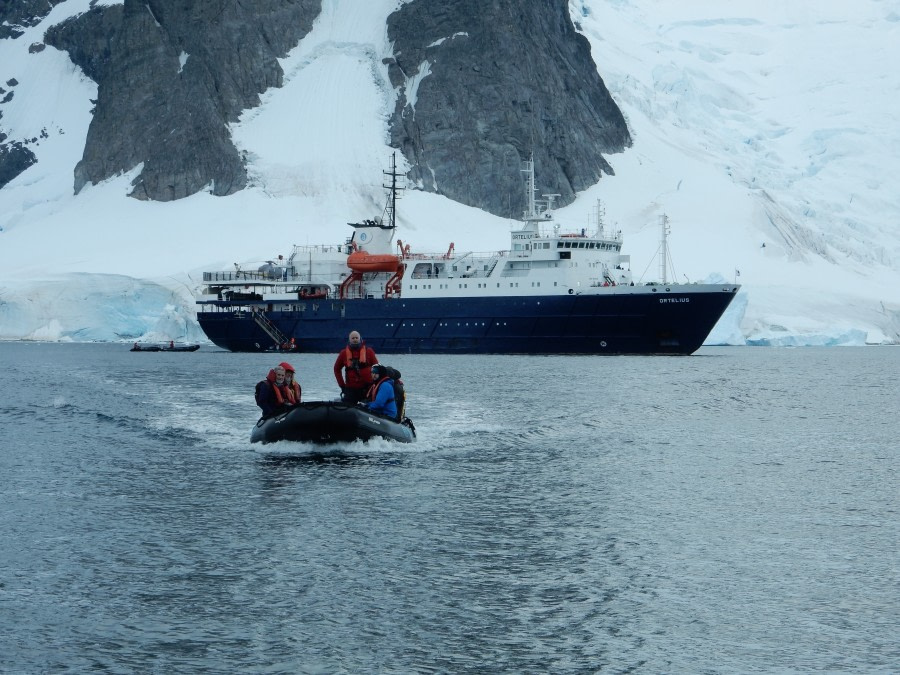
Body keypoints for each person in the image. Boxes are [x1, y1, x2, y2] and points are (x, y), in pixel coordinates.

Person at [333, 330, 378, 404]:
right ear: (349, 340)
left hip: (367, 388)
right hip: (350, 389)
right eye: (353, 338)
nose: (355, 340)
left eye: (356, 338)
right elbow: (336, 369)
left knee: (370, 407)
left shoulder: (369, 352)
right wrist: (342, 385)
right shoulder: (343, 353)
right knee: (347, 408)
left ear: (360, 339)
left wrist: (376, 383)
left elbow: (377, 368)